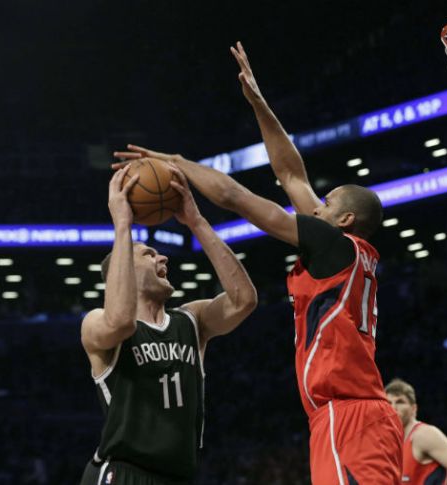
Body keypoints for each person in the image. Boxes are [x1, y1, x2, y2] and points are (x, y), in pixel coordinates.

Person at [113, 41, 401, 485]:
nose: (315, 208)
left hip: (349, 414)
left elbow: (235, 198)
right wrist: (260, 104)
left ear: (345, 220)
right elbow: (291, 175)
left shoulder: (333, 243)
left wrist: (175, 163)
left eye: (325, 204)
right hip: (347, 415)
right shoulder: (341, 250)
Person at [79, 164, 258, 485]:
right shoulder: (95, 324)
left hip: (178, 475)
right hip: (123, 471)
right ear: (125, 270)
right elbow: (120, 321)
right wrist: (123, 225)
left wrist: (197, 222)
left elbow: (244, 300)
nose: (163, 259)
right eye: (149, 254)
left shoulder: (191, 320)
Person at [385, 379, 447, 485]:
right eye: (389, 403)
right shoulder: (391, 446)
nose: (393, 407)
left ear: (414, 409)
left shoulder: (423, 435)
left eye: (400, 402)